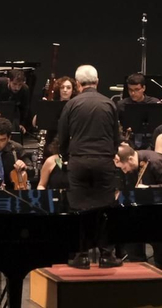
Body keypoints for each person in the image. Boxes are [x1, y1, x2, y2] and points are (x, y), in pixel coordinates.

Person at [53, 65, 123, 268]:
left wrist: (65, 157)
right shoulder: (109, 104)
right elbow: (116, 137)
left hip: (79, 161)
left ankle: (81, 255)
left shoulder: (71, 104)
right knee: (106, 208)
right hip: (103, 161)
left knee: (79, 209)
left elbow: (63, 136)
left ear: (77, 84)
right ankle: (107, 255)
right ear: (97, 81)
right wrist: (109, 154)